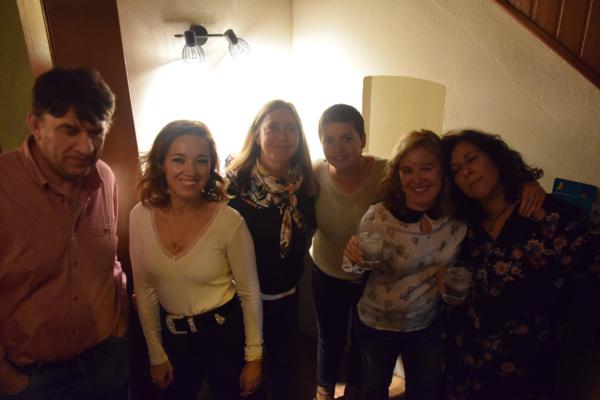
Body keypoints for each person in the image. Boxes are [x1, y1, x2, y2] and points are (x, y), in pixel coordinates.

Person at [0, 66, 129, 399]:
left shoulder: (105, 177)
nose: (86, 147)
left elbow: (109, 260)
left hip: (106, 361)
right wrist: (8, 378)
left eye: (96, 132)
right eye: (69, 130)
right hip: (34, 380)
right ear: (36, 125)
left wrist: (119, 325)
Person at [441, 129, 600, 400]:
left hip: (524, 374)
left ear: (495, 158)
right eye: (456, 169)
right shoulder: (464, 224)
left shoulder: (551, 217)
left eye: (472, 159)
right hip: (461, 365)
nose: (466, 171)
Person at [130, 120, 263, 399]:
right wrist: (156, 354)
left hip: (224, 336)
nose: (190, 171)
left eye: (201, 161)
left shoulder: (230, 221)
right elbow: (145, 290)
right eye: (178, 159)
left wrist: (253, 358)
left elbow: (250, 293)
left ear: (211, 167)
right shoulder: (139, 217)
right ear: (161, 164)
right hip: (173, 339)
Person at [344, 130, 467, 400]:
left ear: (443, 171)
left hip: (426, 324)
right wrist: (353, 258)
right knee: (374, 392)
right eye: (407, 170)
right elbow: (354, 270)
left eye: (427, 168)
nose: (417, 178)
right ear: (397, 175)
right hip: (377, 325)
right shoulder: (379, 216)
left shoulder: (456, 217)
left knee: (424, 392)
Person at [226, 100, 316, 400]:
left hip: (287, 298)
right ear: (257, 134)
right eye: (273, 127)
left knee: (286, 375)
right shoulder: (233, 185)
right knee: (249, 381)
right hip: (241, 302)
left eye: (291, 128)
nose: (282, 136)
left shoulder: (304, 183)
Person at [310, 104, 387, 400]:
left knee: (363, 337)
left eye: (347, 138)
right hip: (326, 272)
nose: (338, 148)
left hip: (371, 276)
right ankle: (324, 389)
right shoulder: (315, 173)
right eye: (329, 140)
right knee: (329, 336)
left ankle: (355, 388)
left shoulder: (386, 171)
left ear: (362, 139)